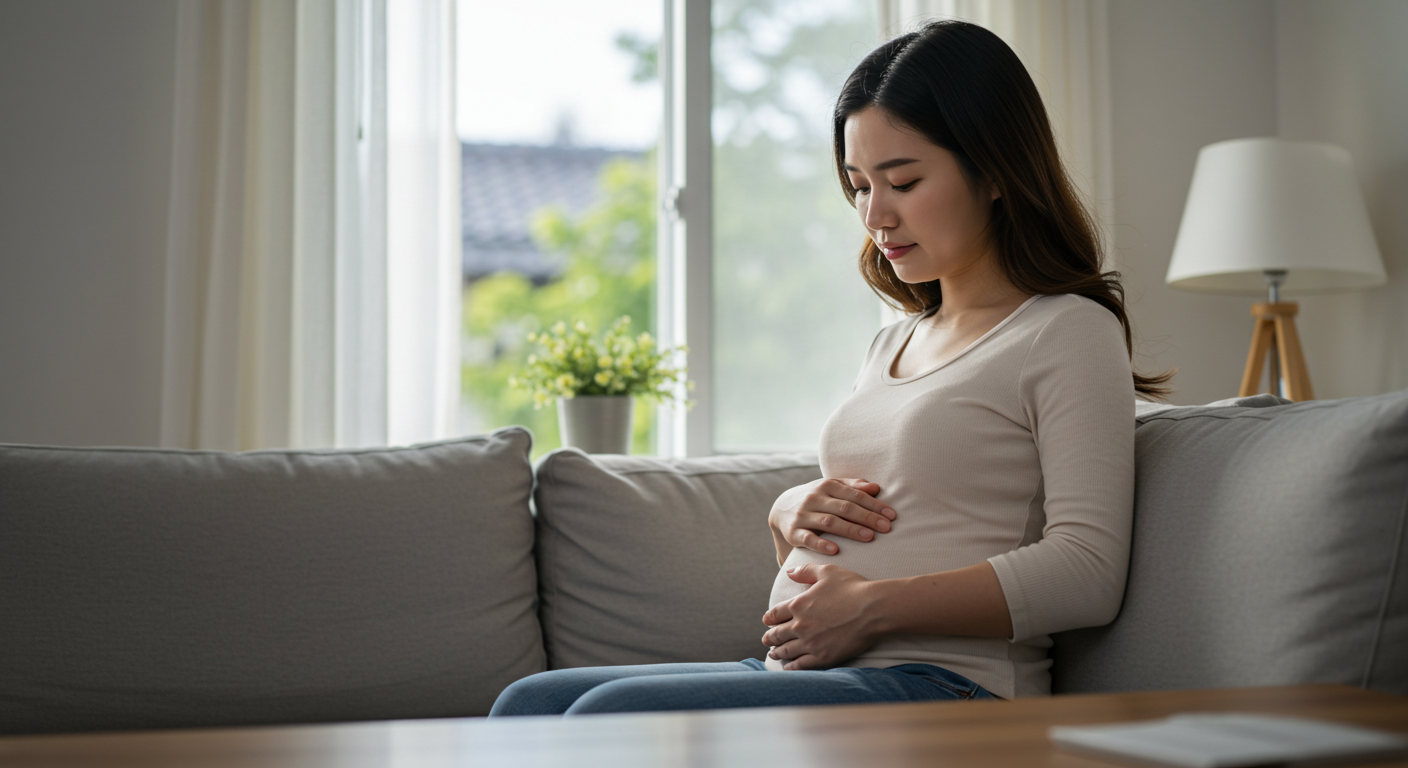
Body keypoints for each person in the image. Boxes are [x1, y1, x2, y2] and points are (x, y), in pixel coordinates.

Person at [489, 19, 1171, 717]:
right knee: (528, 703)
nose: (876, 215)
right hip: (812, 673)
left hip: (946, 686)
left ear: (994, 170)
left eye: (903, 181)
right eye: (858, 186)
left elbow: (1087, 571)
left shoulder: (1064, 330)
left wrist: (875, 609)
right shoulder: (893, 343)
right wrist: (786, 515)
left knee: (603, 720)